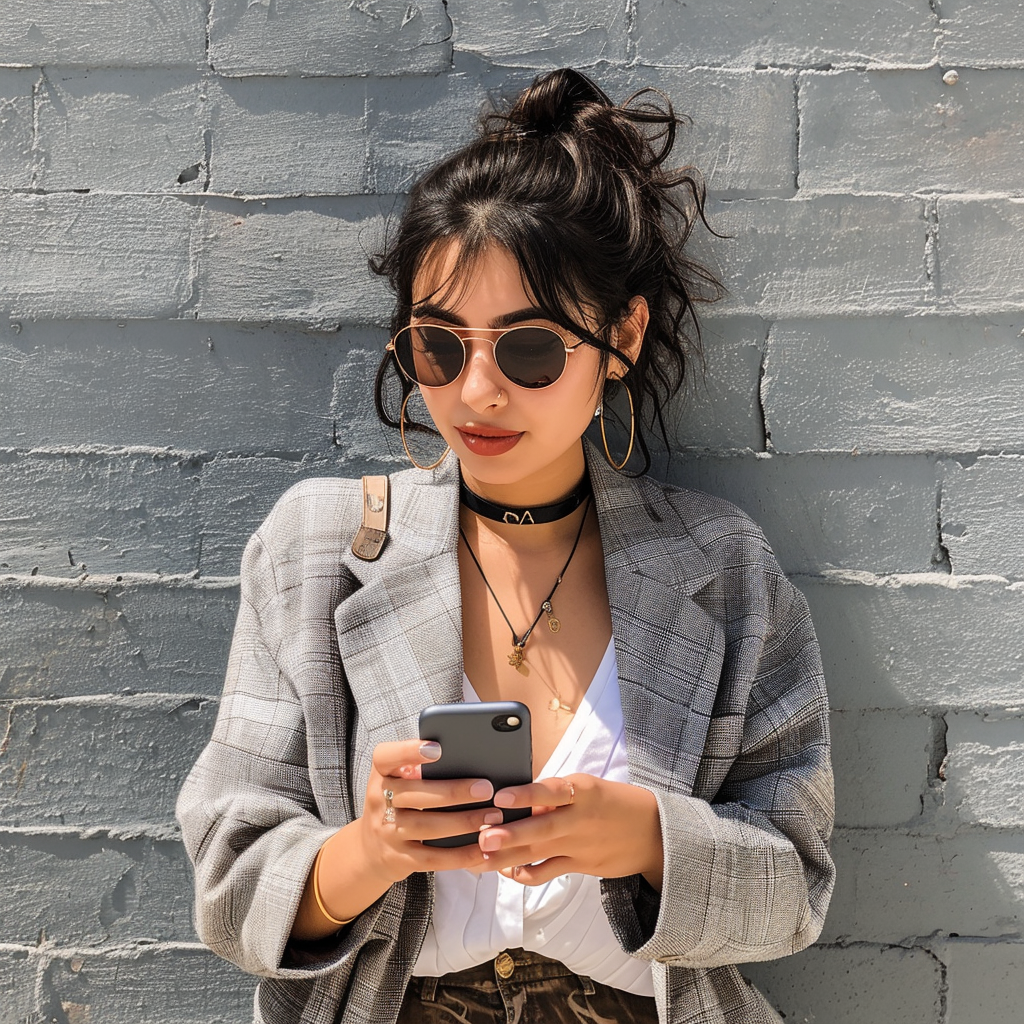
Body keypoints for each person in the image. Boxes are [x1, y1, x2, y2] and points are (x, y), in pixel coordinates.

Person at [176, 68, 834, 1024]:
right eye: (439, 346)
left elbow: (799, 885)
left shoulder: (721, 568)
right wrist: (374, 846)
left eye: (528, 350)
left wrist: (649, 841)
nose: (477, 391)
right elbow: (229, 889)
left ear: (622, 336)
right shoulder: (316, 551)